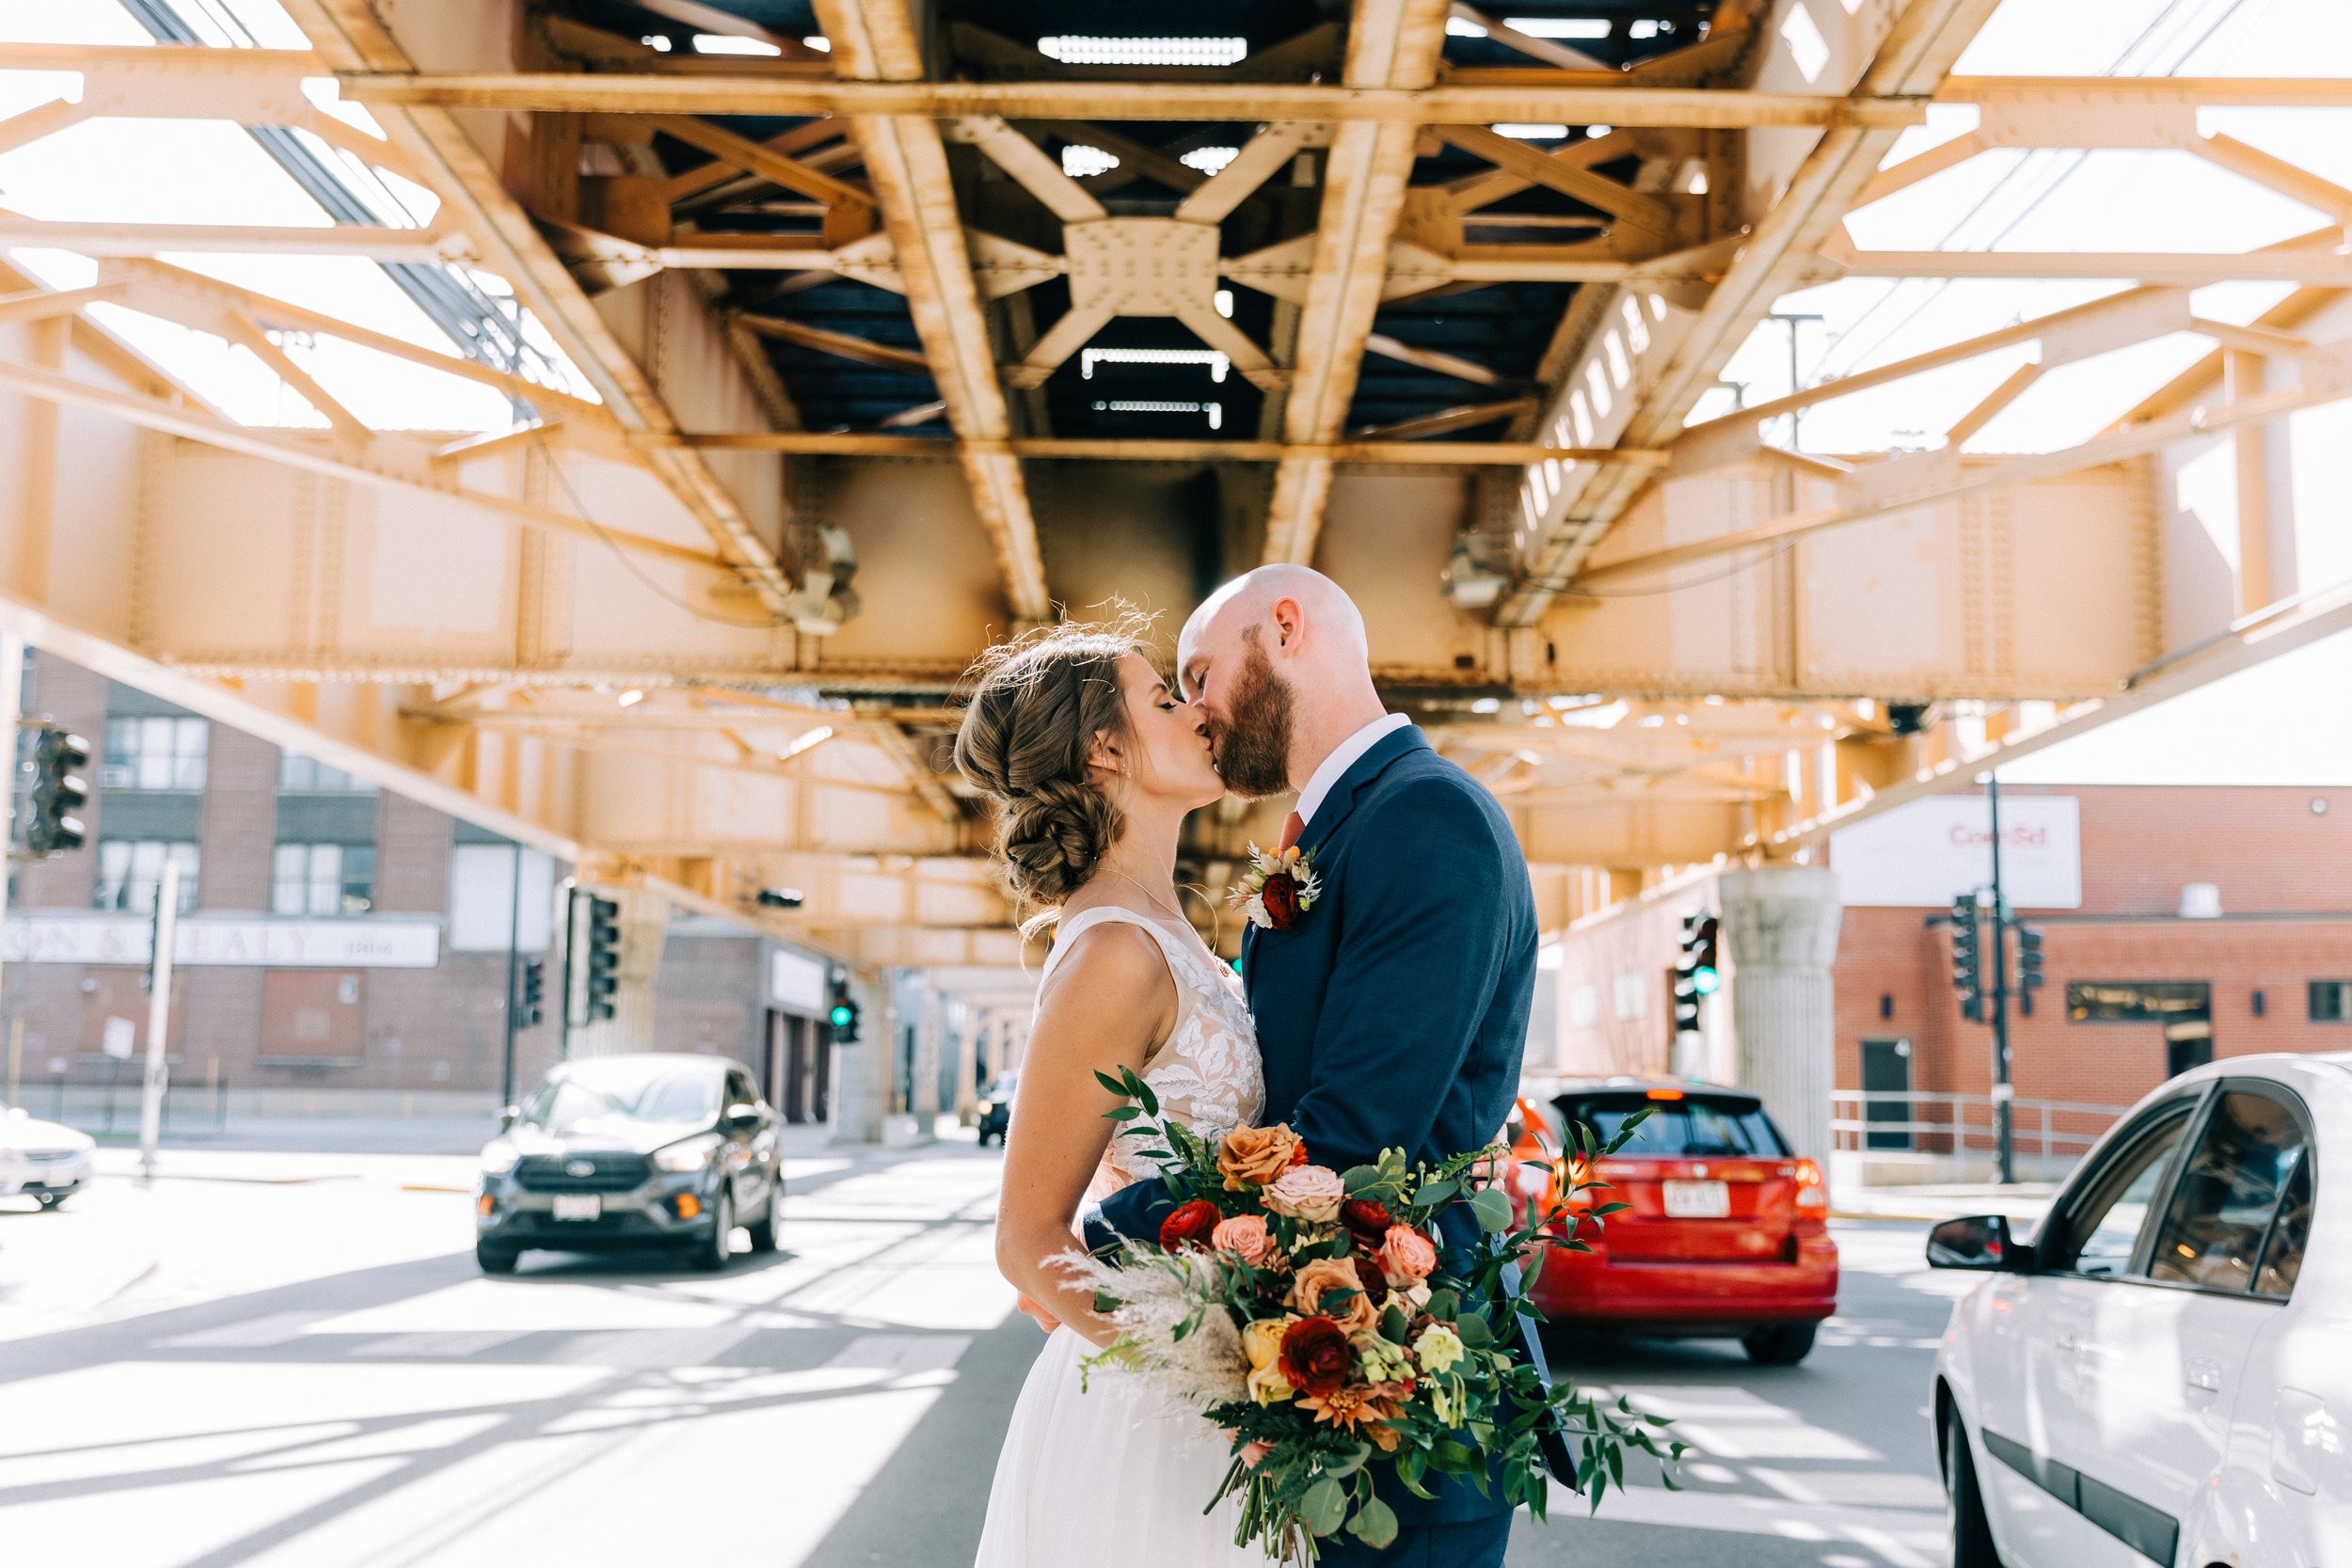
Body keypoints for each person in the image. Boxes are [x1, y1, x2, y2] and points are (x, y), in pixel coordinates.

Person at [960, 622, 1266, 1568]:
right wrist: (1216, 1386)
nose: (1200, 713)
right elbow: (1025, 1237)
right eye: (1166, 700)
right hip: (1161, 1418)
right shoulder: (1109, 954)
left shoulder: (1169, 935)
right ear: (1105, 748)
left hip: (1223, 1384)